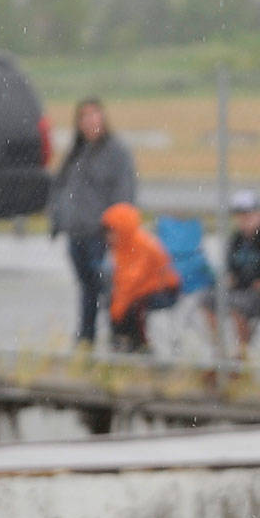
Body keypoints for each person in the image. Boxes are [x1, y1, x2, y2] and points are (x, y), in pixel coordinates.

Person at [48, 98, 136, 346]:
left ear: (103, 118)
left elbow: (124, 193)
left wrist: (117, 228)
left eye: (95, 115)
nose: (90, 121)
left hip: (103, 235)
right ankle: (86, 339)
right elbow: (60, 187)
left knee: (111, 289)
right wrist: (58, 219)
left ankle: (120, 337)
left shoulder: (116, 153)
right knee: (87, 290)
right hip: (77, 233)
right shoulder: (76, 152)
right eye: (85, 116)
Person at [201, 189, 260, 358]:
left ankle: (241, 356)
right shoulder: (237, 239)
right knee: (208, 300)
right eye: (239, 215)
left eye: (248, 214)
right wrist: (231, 277)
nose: (244, 220)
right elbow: (231, 266)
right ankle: (220, 352)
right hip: (241, 287)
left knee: (239, 306)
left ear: (259, 214)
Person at [102, 203, 180, 353]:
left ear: (121, 230)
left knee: (132, 308)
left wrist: (118, 308)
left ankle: (139, 347)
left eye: (111, 232)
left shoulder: (142, 245)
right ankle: (125, 344)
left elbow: (134, 280)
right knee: (119, 304)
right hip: (144, 289)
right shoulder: (121, 247)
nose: (108, 237)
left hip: (165, 290)